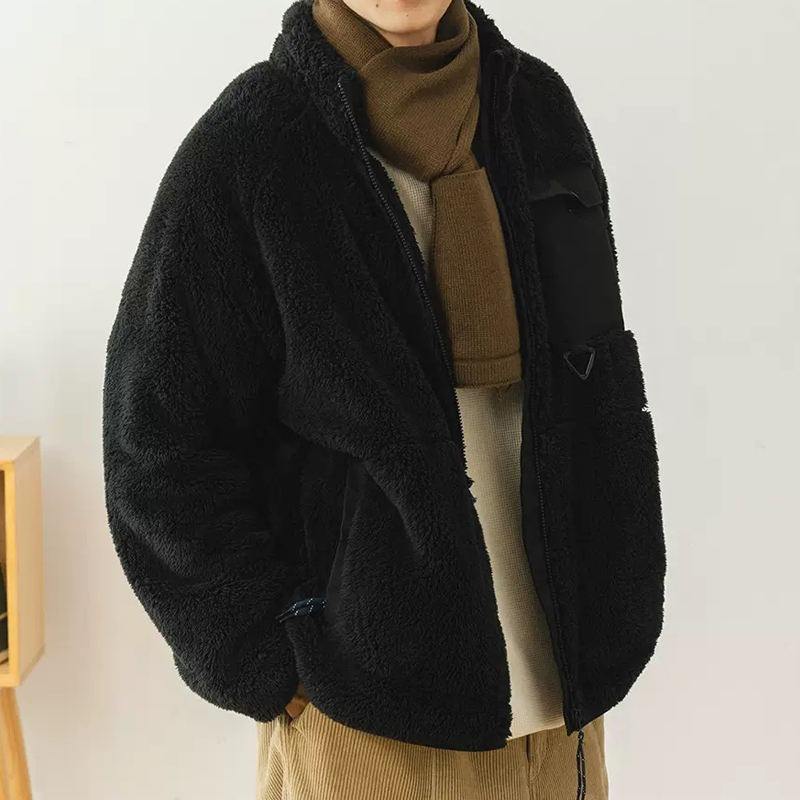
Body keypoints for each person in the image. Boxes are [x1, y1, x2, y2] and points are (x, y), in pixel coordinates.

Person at [102, 1, 666, 798]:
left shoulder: (535, 111)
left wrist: (616, 590)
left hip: (561, 694)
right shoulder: (251, 147)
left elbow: (594, 375)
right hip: (368, 716)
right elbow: (156, 440)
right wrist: (270, 662)